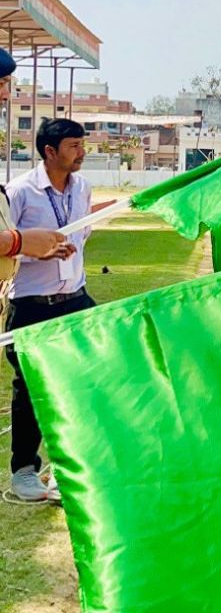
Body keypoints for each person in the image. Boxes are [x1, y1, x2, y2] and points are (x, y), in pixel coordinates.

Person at [2, 91, 90, 504]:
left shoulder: (82, 187)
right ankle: (23, 472)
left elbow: (83, 232)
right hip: (33, 306)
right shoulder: (20, 192)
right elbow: (6, 247)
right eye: (73, 146)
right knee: (33, 388)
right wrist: (34, 250)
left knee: (86, 379)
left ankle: (66, 468)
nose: (81, 152)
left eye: (83, 144)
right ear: (50, 152)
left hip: (76, 299)